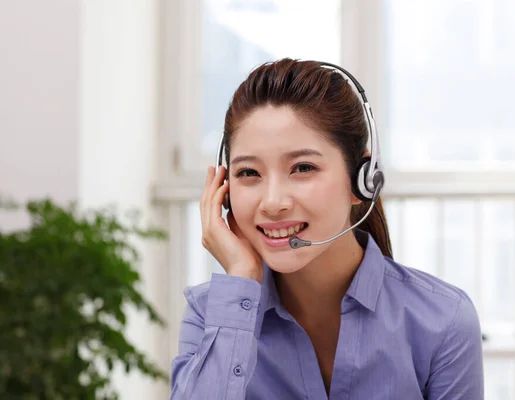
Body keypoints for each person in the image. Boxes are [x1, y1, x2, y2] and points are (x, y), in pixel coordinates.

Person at [170, 58, 484, 399]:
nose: (273, 202)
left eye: (303, 167)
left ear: (362, 180)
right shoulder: (211, 314)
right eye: (249, 173)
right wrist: (240, 279)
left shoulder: (443, 321)